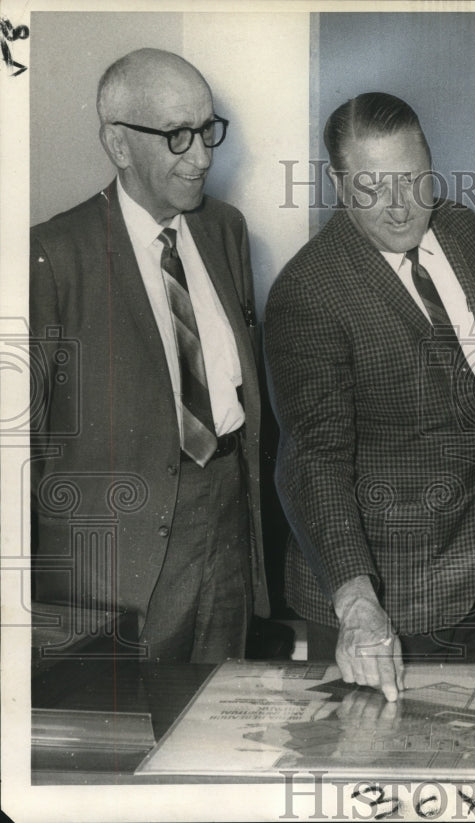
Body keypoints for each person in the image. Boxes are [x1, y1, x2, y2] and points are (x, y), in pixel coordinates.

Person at [265, 92, 475, 702]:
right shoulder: (309, 290)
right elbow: (314, 460)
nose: (401, 206)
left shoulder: (462, 230)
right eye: (373, 187)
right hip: (386, 606)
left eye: (412, 178)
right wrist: (357, 602)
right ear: (338, 184)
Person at [30, 48, 269, 662]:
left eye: (208, 130)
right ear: (118, 143)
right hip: (119, 563)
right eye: (177, 135)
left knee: (221, 703)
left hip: (227, 523)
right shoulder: (53, 256)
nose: (202, 157)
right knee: (135, 713)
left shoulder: (225, 229)